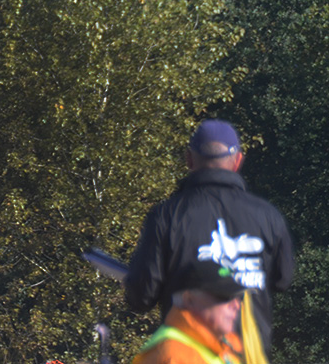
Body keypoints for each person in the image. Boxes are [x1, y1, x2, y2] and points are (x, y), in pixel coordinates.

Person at [125, 119, 295, 360]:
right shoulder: (268, 217)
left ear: (189, 159)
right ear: (238, 161)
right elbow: (283, 280)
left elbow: (141, 297)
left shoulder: (166, 216)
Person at [132, 260, 246, 364]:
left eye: (239, 297)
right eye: (224, 296)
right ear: (188, 298)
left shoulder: (225, 349)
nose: (235, 305)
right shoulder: (174, 356)